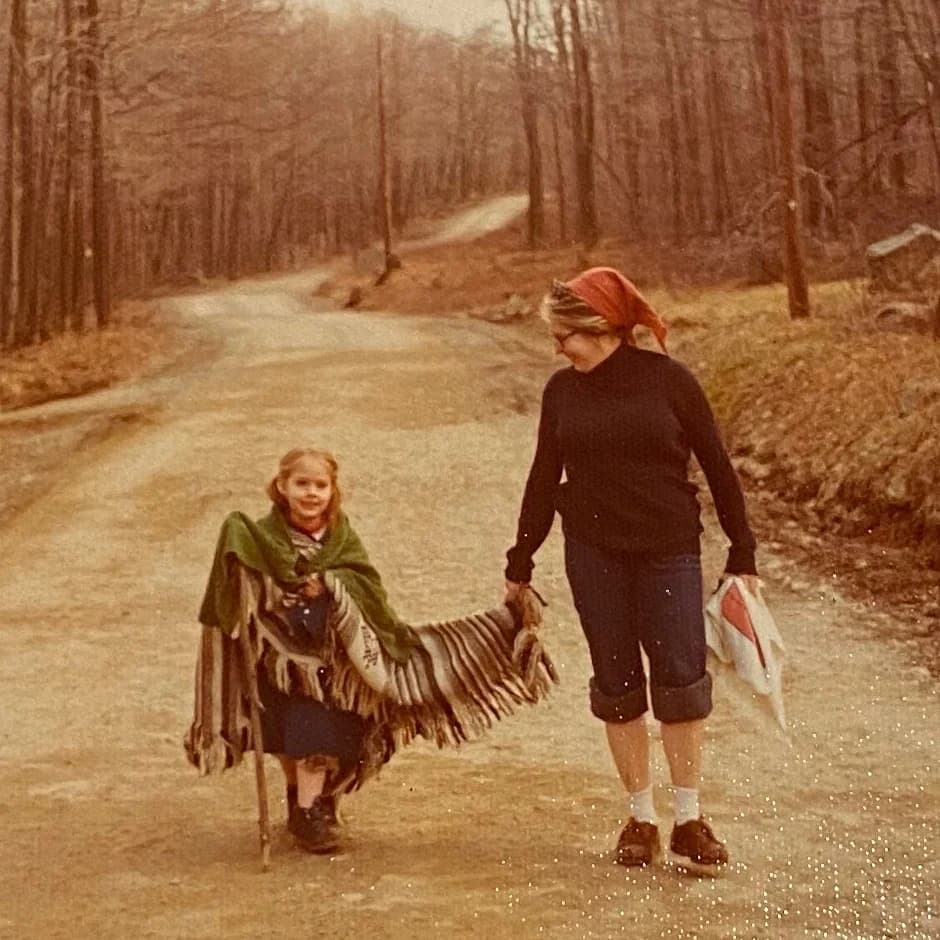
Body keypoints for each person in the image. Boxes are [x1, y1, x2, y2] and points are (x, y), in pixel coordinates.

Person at [503, 268, 760, 874]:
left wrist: (742, 552)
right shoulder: (560, 392)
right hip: (594, 553)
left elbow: (719, 470)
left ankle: (690, 820)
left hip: (669, 547)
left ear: (601, 327)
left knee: (680, 678)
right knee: (616, 682)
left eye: (564, 335)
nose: (558, 348)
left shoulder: (670, 382)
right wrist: (520, 560)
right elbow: (544, 478)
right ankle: (642, 819)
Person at [187, 447, 556, 857]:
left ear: (333, 491)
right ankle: (301, 804)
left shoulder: (341, 539)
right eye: (302, 484)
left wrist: (331, 584)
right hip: (279, 660)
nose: (311, 493)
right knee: (288, 738)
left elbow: (366, 588)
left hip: (336, 667)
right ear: (282, 487)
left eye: (320, 485)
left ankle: (313, 809)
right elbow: (244, 595)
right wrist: (250, 577)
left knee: (321, 735)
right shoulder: (262, 537)